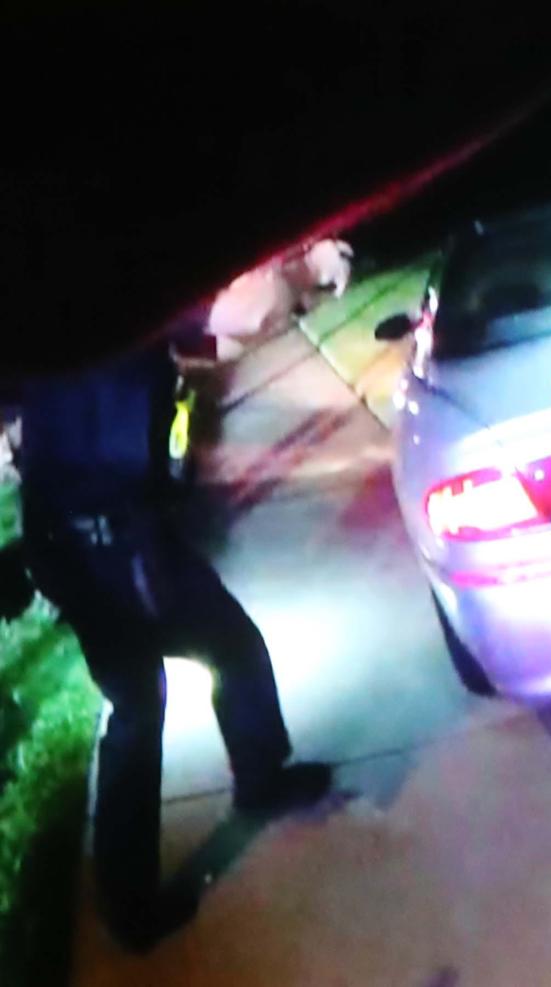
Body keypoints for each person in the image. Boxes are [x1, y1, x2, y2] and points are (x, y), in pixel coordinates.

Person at [18, 307, 331, 952]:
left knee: (154, 688)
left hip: (68, 543)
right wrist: (309, 266)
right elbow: (243, 312)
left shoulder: (46, 315)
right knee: (203, 662)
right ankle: (251, 791)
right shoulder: (129, 290)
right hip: (116, 540)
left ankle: (133, 896)